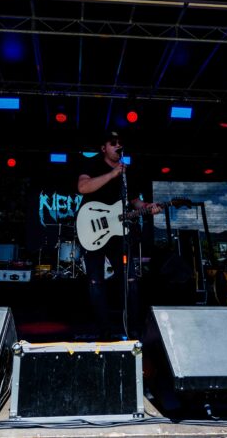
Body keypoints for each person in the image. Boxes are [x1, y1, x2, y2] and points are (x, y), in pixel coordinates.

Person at [77, 130, 161, 339]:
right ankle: (103, 330)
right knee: (96, 281)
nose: (117, 145)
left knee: (130, 279)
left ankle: (133, 328)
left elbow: (135, 202)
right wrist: (111, 174)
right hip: (93, 229)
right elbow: (83, 187)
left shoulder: (127, 173)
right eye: (112, 142)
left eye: (120, 142)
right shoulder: (93, 164)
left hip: (119, 232)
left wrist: (148, 207)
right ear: (103, 148)